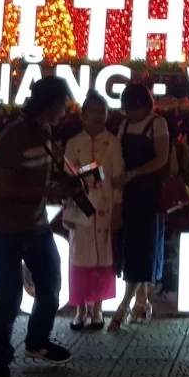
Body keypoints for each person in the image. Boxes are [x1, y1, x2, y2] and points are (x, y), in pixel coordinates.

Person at [0, 76, 76, 377]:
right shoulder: (15, 135)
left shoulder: (45, 132)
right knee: (9, 297)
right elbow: (3, 187)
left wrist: (60, 186)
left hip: (36, 226)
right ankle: (0, 362)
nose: (65, 111)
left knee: (50, 286)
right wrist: (50, 192)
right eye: (63, 104)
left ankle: (37, 341)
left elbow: (36, 180)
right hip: (6, 229)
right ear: (50, 104)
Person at [107, 83, 169, 333]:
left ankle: (124, 307)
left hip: (147, 193)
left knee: (142, 249)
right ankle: (142, 301)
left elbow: (161, 158)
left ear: (144, 105)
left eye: (131, 109)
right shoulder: (124, 125)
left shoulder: (157, 124)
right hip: (126, 193)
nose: (128, 114)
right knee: (131, 246)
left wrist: (132, 174)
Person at [63, 92, 123, 330]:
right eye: (94, 111)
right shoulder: (74, 143)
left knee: (102, 257)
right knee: (79, 256)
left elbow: (117, 179)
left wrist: (118, 207)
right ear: (83, 115)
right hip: (80, 207)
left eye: (103, 111)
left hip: (104, 208)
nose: (99, 116)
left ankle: (97, 308)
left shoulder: (113, 143)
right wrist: (67, 210)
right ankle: (80, 309)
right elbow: (67, 177)